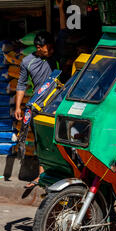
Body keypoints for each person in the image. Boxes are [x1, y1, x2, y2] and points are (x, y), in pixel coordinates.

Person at [14, 0, 66, 189]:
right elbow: (20, 84)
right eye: (46, 50)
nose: (50, 52)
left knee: (61, 140)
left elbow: (63, 31)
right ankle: (41, 176)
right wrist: (19, 106)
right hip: (40, 106)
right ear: (38, 48)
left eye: (51, 48)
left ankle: (63, 174)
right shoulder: (27, 61)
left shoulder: (56, 51)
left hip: (60, 104)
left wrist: (60, 9)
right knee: (42, 141)